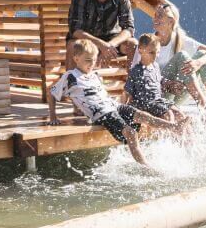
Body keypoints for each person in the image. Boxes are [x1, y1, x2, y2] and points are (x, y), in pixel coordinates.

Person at [49, 39, 180, 166]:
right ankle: (146, 167)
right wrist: (53, 117)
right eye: (88, 60)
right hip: (102, 113)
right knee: (131, 133)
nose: (91, 63)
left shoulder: (94, 75)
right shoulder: (70, 76)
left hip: (113, 106)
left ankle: (175, 127)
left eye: (94, 60)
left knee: (143, 115)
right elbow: (52, 93)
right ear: (76, 58)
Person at [148, 2, 206, 120]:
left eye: (160, 15)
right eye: (155, 15)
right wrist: (166, 83)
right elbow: (140, 73)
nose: (155, 18)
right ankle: (205, 108)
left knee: (202, 55)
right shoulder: (148, 42)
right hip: (160, 95)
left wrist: (198, 63)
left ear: (171, 21)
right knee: (181, 56)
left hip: (177, 93)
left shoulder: (181, 40)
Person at [67, 0, 136, 67]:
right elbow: (75, 29)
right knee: (72, 45)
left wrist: (110, 45)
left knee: (133, 44)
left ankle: (134, 81)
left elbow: (129, 28)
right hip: (88, 40)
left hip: (113, 40)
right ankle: (72, 82)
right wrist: (101, 45)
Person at [124, 33, 188, 125]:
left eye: (157, 52)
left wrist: (168, 83)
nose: (155, 56)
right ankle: (171, 134)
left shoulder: (155, 66)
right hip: (144, 103)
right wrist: (123, 110)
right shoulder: (136, 70)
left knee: (179, 114)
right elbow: (127, 92)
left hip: (157, 100)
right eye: (151, 52)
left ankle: (186, 138)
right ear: (140, 50)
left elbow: (158, 79)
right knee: (169, 115)